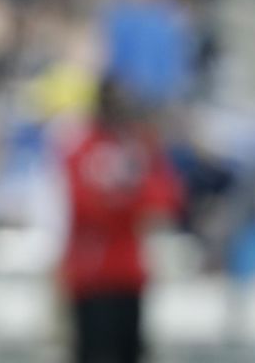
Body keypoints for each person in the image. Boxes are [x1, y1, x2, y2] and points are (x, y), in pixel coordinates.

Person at [59, 79, 182, 363]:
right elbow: (81, 205)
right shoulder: (82, 148)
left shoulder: (140, 146)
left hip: (128, 272)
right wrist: (126, 203)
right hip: (90, 274)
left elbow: (164, 200)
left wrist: (123, 202)